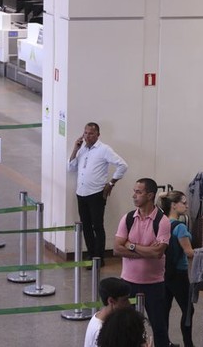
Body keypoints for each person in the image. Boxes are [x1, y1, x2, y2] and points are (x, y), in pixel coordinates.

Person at [114, 178, 171, 347]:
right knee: (127, 328)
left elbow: (158, 252)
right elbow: (117, 249)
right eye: (134, 191)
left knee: (159, 328)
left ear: (150, 195)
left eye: (138, 192)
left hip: (154, 285)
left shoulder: (162, 221)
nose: (134, 196)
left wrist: (130, 246)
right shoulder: (128, 218)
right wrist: (144, 251)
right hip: (128, 283)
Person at [68, 122, 128, 266]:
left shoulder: (104, 149)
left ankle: (99, 258)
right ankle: (90, 254)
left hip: (96, 194)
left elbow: (123, 165)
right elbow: (70, 168)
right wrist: (75, 149)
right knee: (86, 226)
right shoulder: (82, 149)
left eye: (91, 134)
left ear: (98, 135)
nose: (87, 136)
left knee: (97, 226)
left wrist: (111, 183)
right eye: (86, 133)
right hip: (81, 193)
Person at [160, 191, 195, 347]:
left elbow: (159, 198)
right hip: (179, 273)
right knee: (188, 310)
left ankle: (164, 342)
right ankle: (188, 343)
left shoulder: (162, 222)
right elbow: (189, 253)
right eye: (184, 202)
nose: (186, 206)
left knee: (165, 309)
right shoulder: (180, 227)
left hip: (164, 272)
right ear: (174, 205)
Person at [84, 277, 132, 347]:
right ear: (111, 301)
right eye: (124, 300)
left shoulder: (100, 316)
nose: (129, 304)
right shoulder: (101, 331)